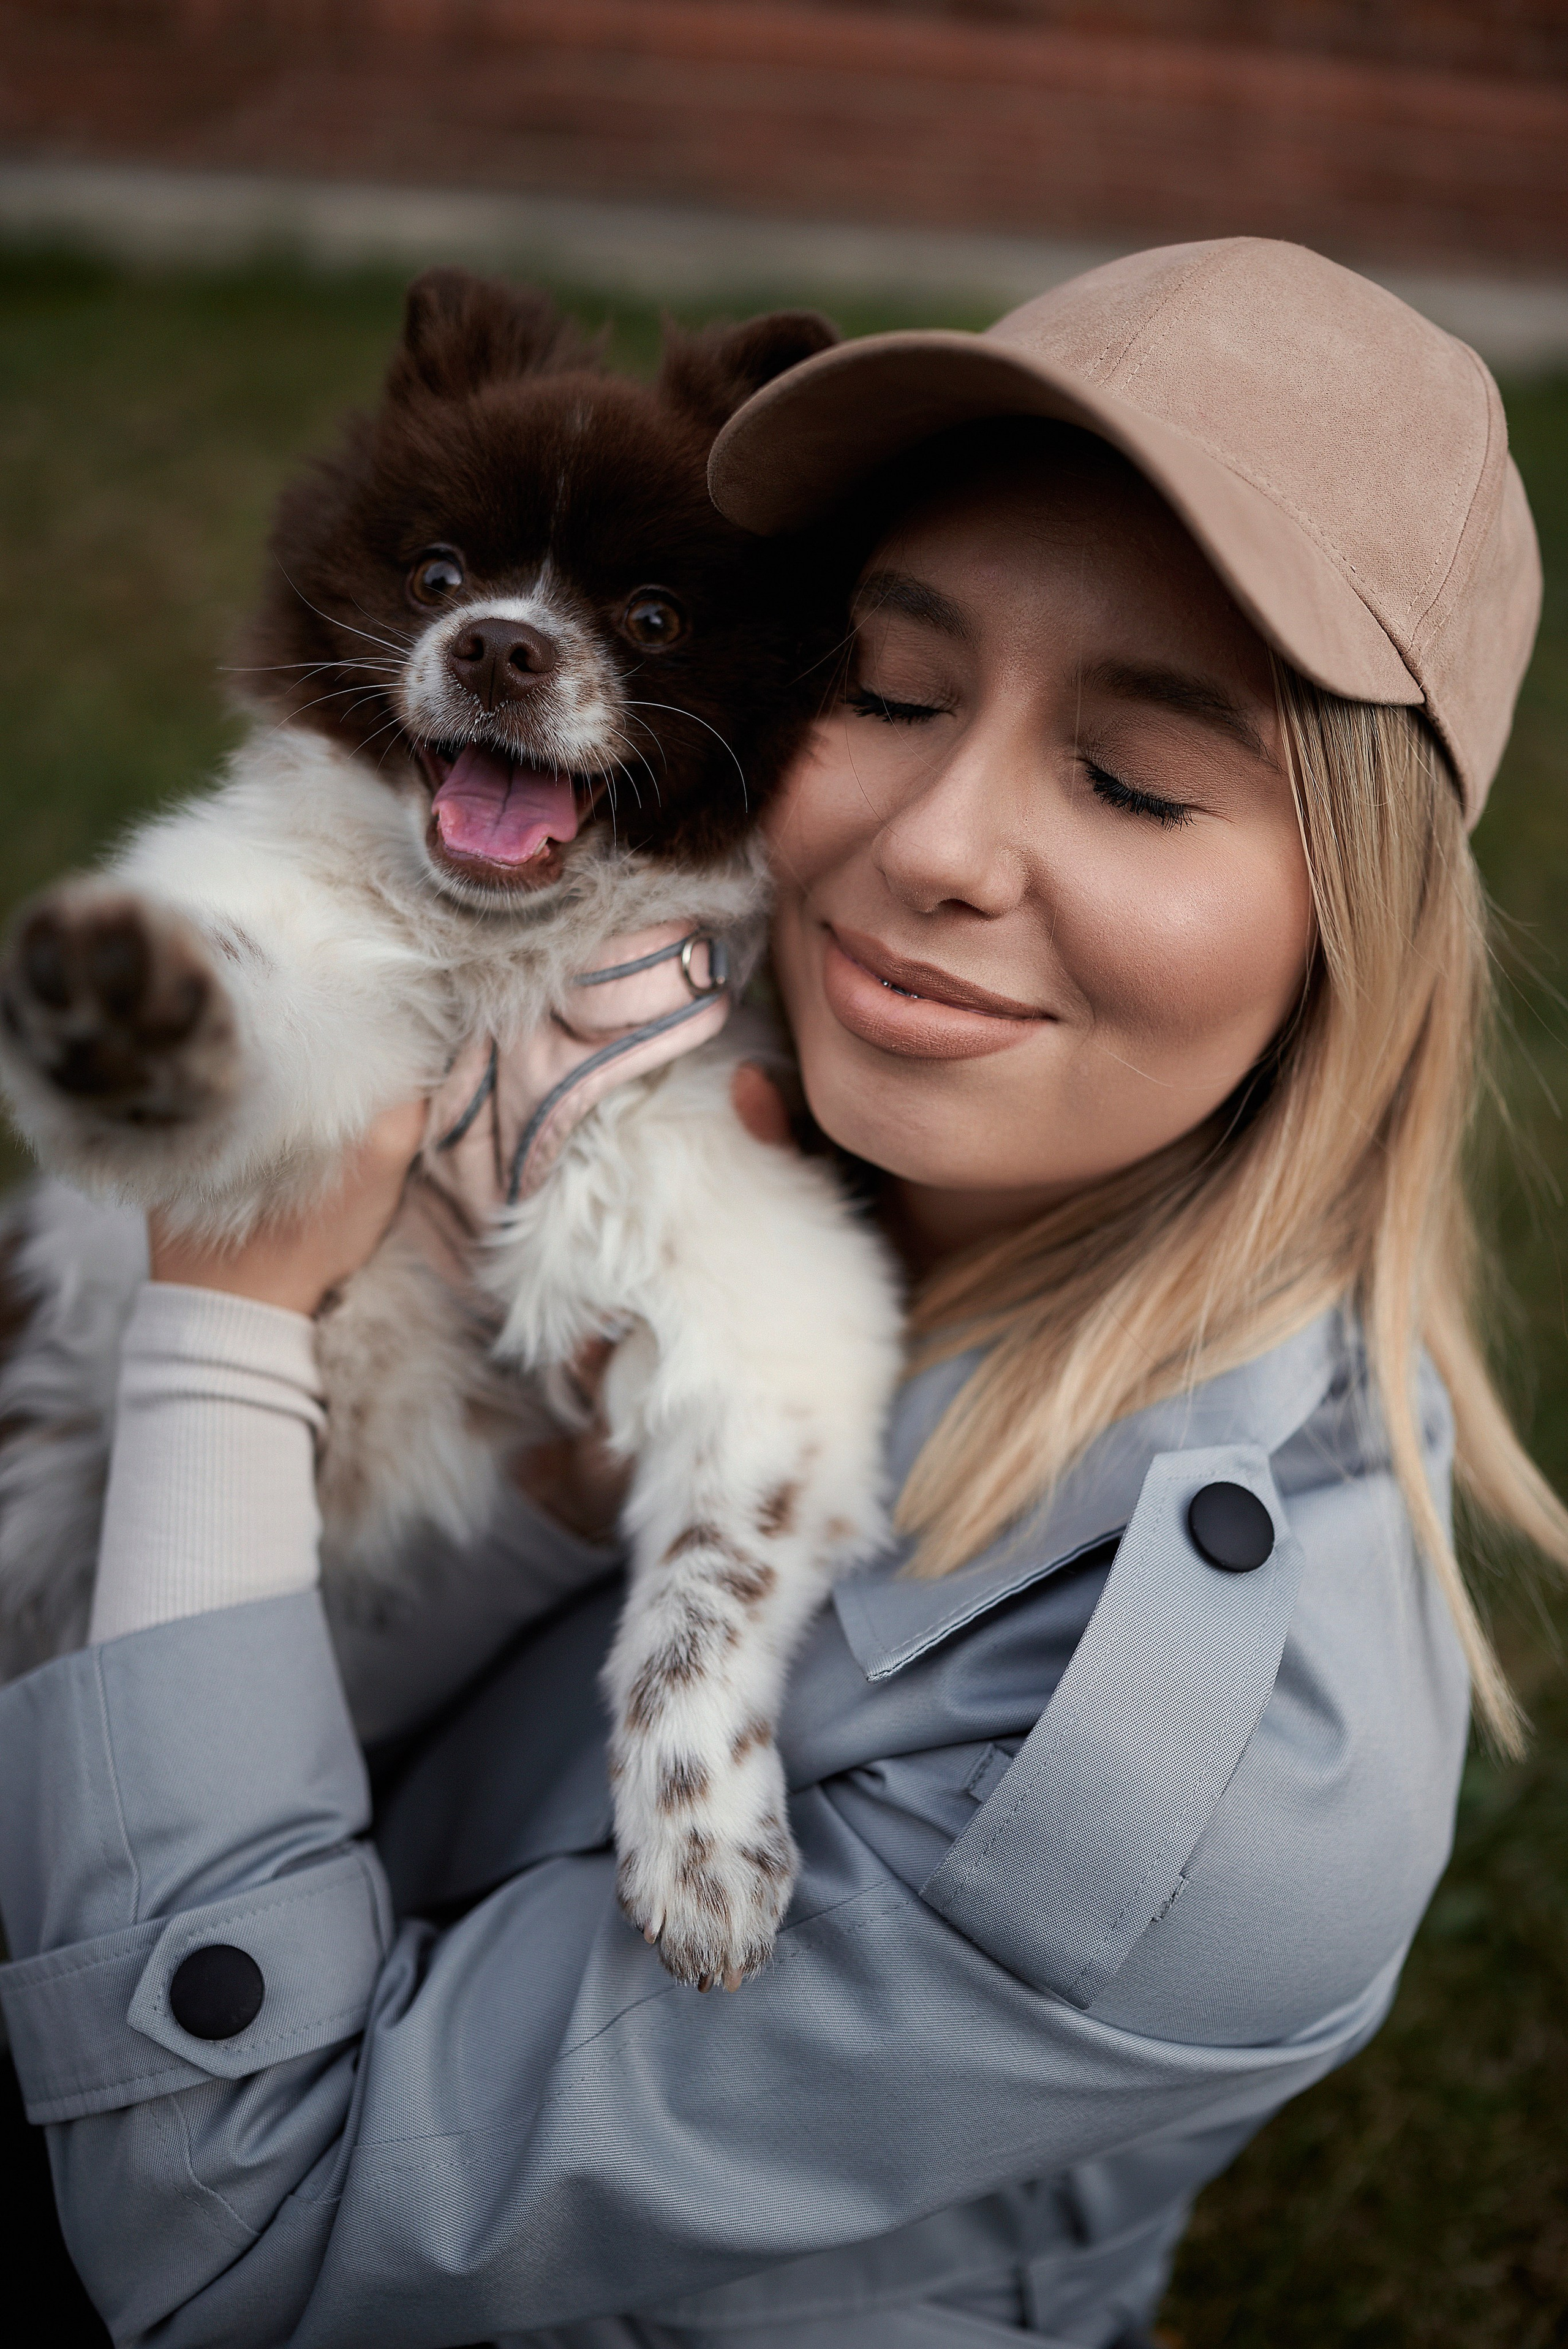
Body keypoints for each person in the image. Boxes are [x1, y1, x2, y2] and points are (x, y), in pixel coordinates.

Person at [1, 236, 1562, 2349]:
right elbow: (291, 1729)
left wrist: (225, 1322)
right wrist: (548, 1488)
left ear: (1350, 926)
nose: (934, 844)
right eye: (893, 695)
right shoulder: (736, 1092)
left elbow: (233, 2238)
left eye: (1131, 777)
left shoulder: (1204, 1773)